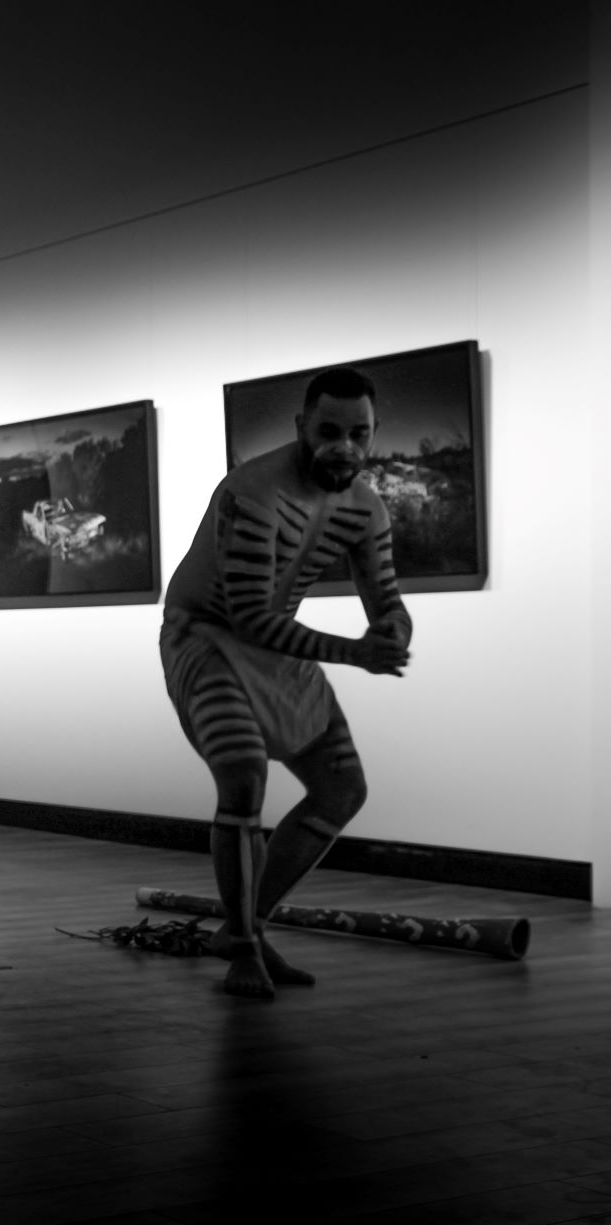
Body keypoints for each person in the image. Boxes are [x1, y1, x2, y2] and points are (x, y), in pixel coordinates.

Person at [161, 366, 412, 1000]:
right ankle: (242, 944)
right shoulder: (254, 492)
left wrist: (393, 630)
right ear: (303, 426)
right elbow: (246, 614)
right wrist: (355, 655)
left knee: (341, 788)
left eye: (360, 434)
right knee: (243, 773)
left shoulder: (365, 507)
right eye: (330, 431)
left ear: (374, 433)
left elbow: (385, 596)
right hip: (207, 637)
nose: (345, 448)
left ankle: (248, 926)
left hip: (276, 645)